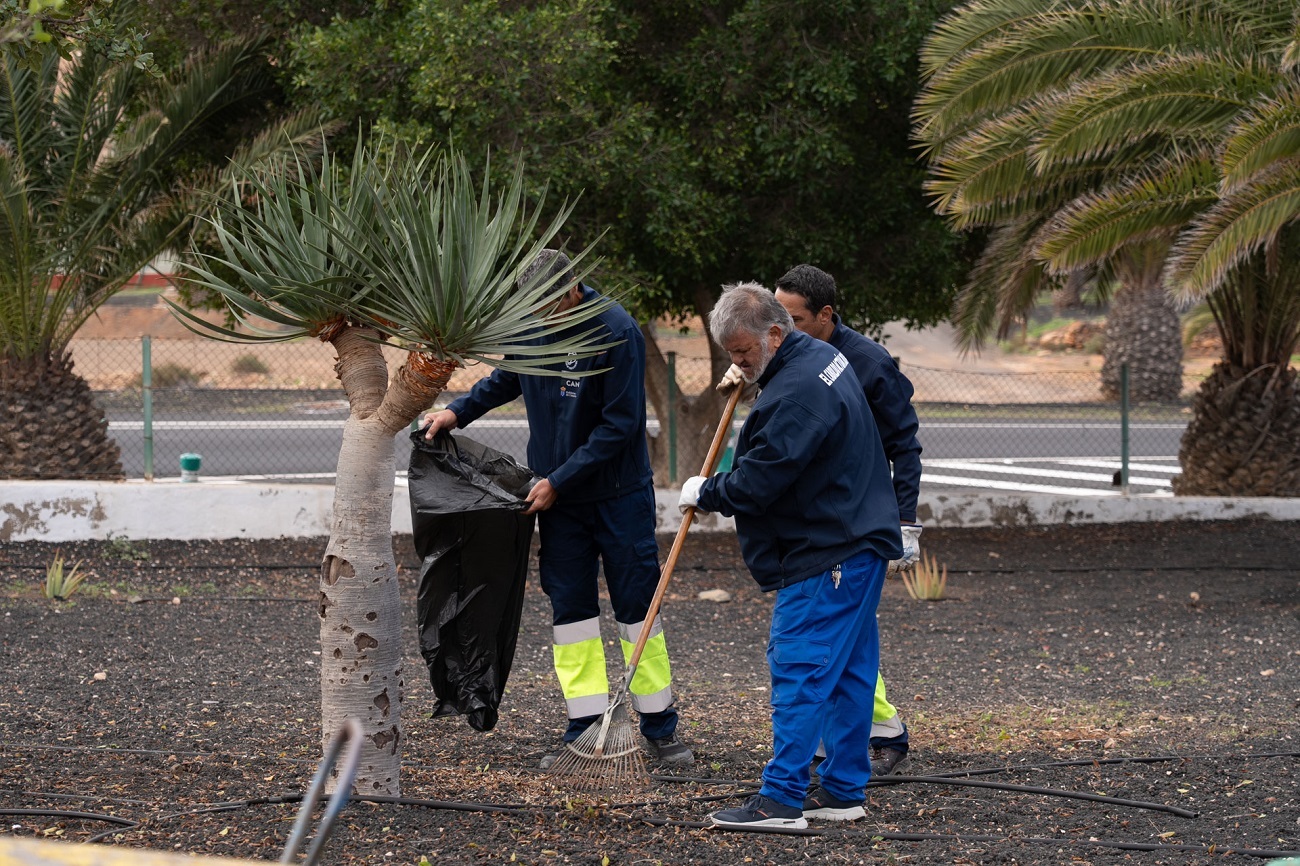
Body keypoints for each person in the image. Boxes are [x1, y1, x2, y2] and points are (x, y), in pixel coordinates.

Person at [421, 250, 692, 769]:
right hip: (559, 503)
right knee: (572, 616)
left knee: (638, 609)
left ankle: (660, 728)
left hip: (617, 497)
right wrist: (457, 412)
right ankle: (584, 728)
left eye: (548, 306)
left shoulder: (615, 330)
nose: (541, 316)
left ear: (571, 290)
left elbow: (620, 425)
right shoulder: (531, 324)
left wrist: (559, 481)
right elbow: (507, 377)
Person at [679, 282, 901, 828]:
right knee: (848, 673)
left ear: (775, 334)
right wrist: (755, 375)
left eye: (743, 352)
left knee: (800, 667)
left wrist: (706, 492)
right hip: (857, 540)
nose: (737, 363)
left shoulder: (797, 393)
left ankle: (780, 800)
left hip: (826, 553)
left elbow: (761, 480)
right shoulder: (819, 357)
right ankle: (844, 791)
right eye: (732, 354)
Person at [772, 262, 922, 777]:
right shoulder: (788, 356)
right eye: (777, 318)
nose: (782, 329)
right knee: (844, 638)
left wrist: (905, 521)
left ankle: (874, 735)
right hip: (816, 523)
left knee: (832, 638)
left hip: (857, 524)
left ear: (826, 314)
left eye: (793, 319)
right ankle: (848, 744)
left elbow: (904, 446)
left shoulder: (868, 363)